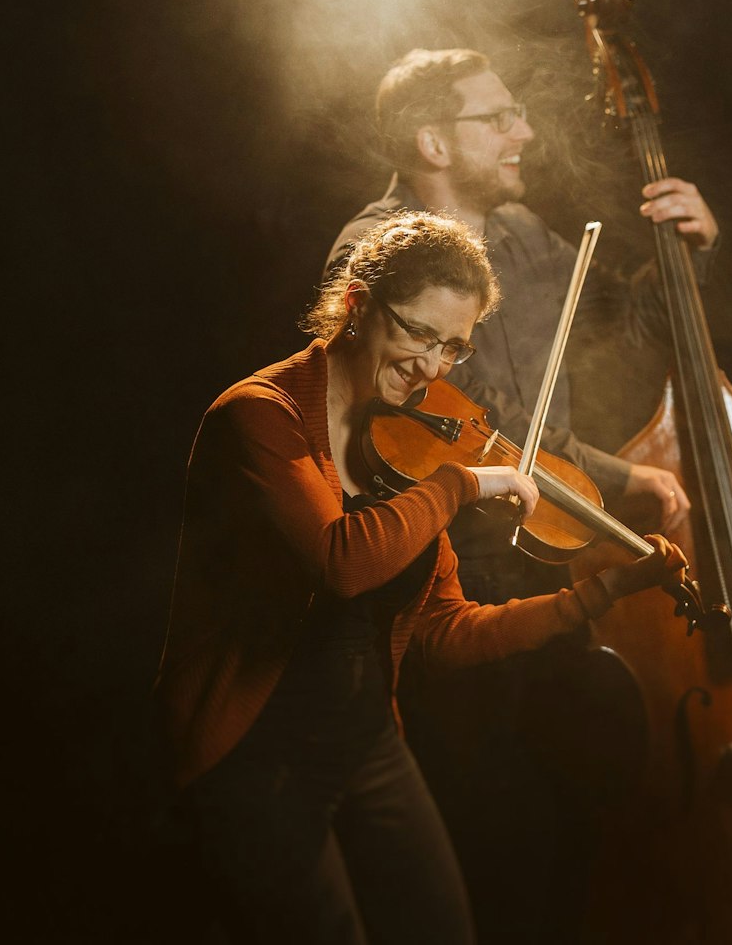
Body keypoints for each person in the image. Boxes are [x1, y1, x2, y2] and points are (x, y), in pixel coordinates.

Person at [154, 210, 688, 943]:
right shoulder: (259, 416)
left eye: (454, 347)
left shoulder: (410, 440)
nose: (433, 368)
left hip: (366, 741)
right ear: (357, 305)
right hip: (253, 754)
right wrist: (462, 483)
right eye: (418, 333)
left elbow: (445, 630)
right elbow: (343, 562)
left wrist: (599, 592)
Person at [324, 48, 722, 940]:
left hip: (539, 574)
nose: (525, 132)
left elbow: (617, 341)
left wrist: (686, 255)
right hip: (440, 588)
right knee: (487, 841)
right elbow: (426, 418)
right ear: (433, 141)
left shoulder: (526, 234)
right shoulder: (374, 249)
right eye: (498, 117)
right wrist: (589, 477)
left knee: (568, 829)